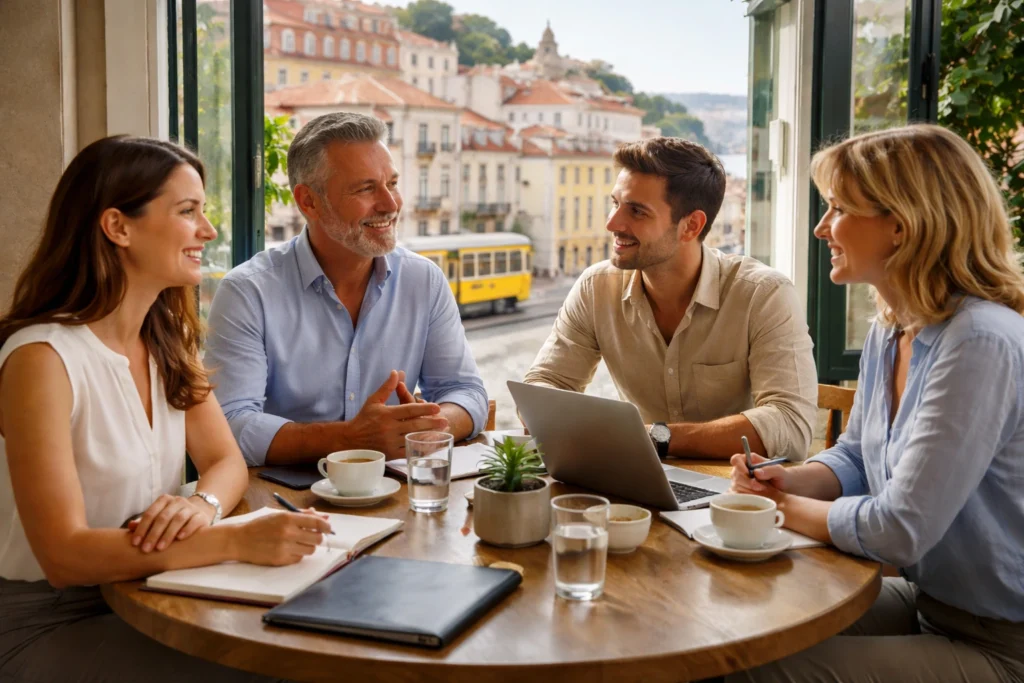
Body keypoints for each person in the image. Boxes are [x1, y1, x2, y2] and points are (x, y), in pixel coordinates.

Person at [0, 136, 329, 683]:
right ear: (118, 227)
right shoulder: (41, 360)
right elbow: (63, 555)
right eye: (188, 212)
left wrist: (202, 506)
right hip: (48, 619)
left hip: (157, 592)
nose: (209, 230)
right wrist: (232, 539)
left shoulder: (165, 339)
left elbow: (226, 463)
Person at [727, 124, 1024, 682]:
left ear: (901, 225)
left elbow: (898, 530)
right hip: (933, 605)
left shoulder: (979, 342)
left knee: (760, 675)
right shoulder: (892, 331)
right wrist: (785, 480)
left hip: (1004, 641)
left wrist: (774, 509)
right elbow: (859, 456)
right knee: (736, 638)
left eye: (837, 208)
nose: (821, 228)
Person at [203, 112, 488, 466]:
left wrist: (429, 427)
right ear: (308, 202)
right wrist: (348, 439)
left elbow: (466, 392)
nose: (390, 204)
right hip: (288, 504)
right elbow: (229, 424)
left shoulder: (424, 280)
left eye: (392, 183)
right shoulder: (248, 292)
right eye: (366, 188)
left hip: (394, 492)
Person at [523, 137, 817, 461]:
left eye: (636, 211)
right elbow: (545, 383)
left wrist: (654, 437)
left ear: (691, 226)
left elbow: (791, 427)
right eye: (614, 203)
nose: (612, 223)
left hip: (735, 493)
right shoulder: (596, 287)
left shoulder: (764, 295)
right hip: (641, 483)